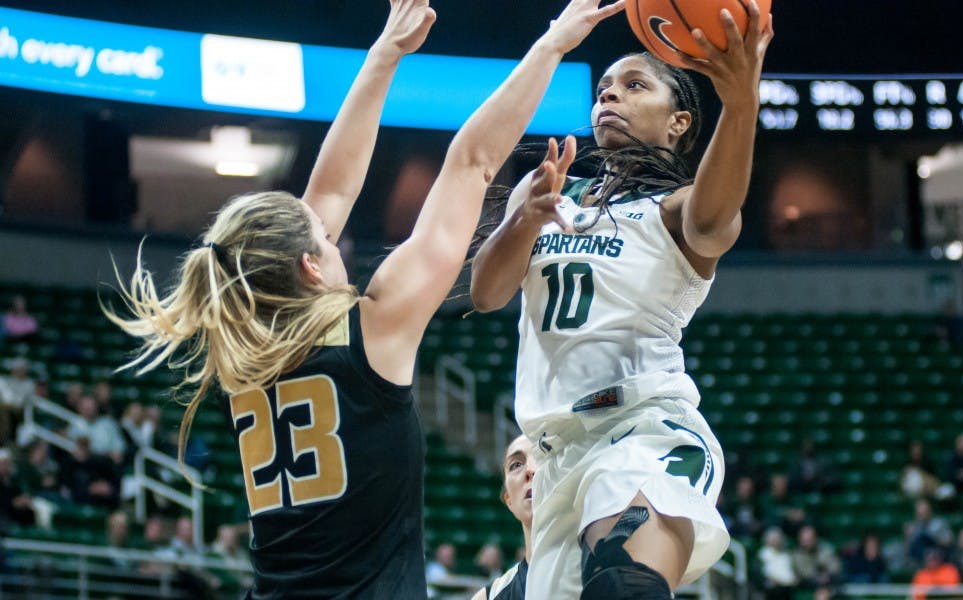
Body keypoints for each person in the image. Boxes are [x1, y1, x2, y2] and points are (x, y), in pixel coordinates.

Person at [103, 0, 625, 597]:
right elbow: (473, 163)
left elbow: (328, 192)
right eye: (327, 239)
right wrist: (553, 44)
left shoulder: (238, 355)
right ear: (308, 267)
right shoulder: (371, 331)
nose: (336, 235)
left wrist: (385, 54)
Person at [471, 4, 773, 595]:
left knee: (621, 578)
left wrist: (741, 103)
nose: (610, 97)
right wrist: (523, 220)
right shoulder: (550, 195)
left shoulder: (678, 207)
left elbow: (717, 216)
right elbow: (486, 293)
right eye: (604, 88)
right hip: (555, 450)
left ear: (680, 122)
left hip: (645, 427)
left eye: (634, 86)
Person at [473, 434, 535, 600]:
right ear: (509, 502)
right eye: (516, 464)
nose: (531, 469)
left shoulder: (600, 574)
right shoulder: (489, 597)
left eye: (543, 455)